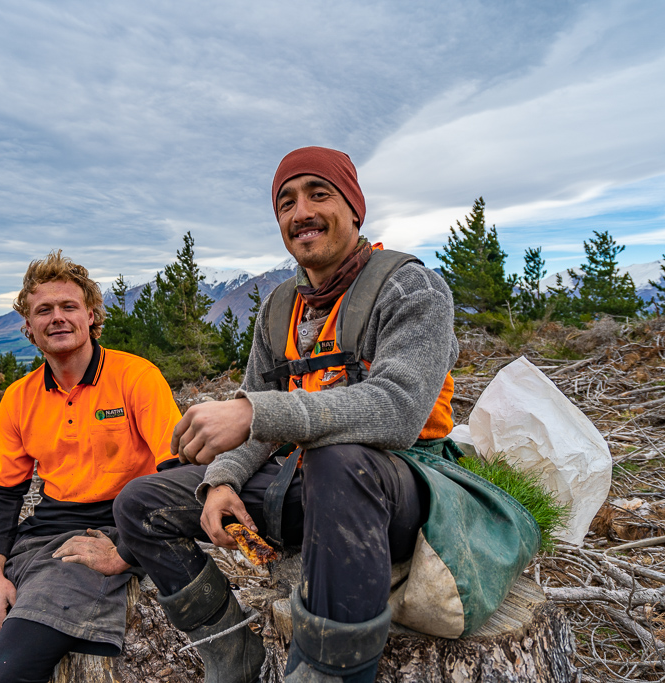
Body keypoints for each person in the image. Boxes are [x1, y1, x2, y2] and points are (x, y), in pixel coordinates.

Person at [94, 146, 463, 683]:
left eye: (319, 194)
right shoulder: (280, 306)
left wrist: (253, 413)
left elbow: (399, 409)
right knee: (141, 502)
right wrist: (221, 479)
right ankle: (231, 653)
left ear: (354, 209)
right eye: (286, 203)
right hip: (306, 483)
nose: (301, 212)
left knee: (340, 462)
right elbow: (257, 407)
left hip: (402, 494)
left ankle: (330, 670)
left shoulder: (411, 287)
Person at [0, 251, 182, 683]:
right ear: (28, 328)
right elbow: (3, 493)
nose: (57, 318)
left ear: (91, 316)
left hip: (114, 528)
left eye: (69, 306)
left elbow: (176, 473)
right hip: (42, 531)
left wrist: (127, 552)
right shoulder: (19, 397)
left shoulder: (135, 377)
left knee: (8, 671)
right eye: (43, 310)